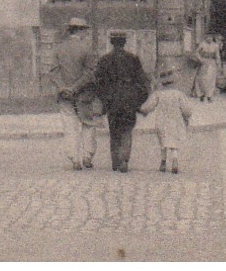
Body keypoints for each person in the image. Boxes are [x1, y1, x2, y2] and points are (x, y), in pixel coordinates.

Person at [82, 32, 151, 172]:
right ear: (124, 42)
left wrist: (103, 100)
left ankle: (115, 160)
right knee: (127, 130)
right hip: (129, 100)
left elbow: (98, 83)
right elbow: (144, 83)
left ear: (112, 42)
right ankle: (124, 159)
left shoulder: (105, 60)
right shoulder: (133, 59)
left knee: (114, 131)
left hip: (112, 100)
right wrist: (138, 101)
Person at [51, 17, 98, 170]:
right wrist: (76, 88)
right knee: (88, 125)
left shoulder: (58, 48)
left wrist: (63, 87)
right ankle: (87, 156)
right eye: (85, 30)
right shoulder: (87, 49)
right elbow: (90, 73)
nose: (86, 33)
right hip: (83, 95)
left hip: (64, 96)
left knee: (70, 127)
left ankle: (74, 159)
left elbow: (53, 72)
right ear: (80, 30)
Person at [140, 67, 194, 174]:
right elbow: (187, 109)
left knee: (163, 142)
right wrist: (186, 117)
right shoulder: (178, 94)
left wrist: (143, 110)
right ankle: (175, 161)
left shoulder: (158, 94)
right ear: (173, 81)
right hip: (175, 122)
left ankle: (163, 162)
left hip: (162, 122)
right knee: (174, 142)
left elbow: (148, 106)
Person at [191, 34, 222, 102]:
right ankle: (201, 94)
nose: (209, 39)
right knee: (202, 79)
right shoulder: (202, 44)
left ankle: (209, 96)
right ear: (205, 38)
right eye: (207, 37)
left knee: (211, 79)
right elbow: (196, 52)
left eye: (210, 37)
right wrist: (200, 59)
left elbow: (217, 55)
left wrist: (218, 63)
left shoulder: (215, 45)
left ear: (212, 38)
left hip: (212, 62)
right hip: (204, 62)